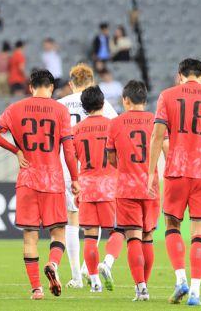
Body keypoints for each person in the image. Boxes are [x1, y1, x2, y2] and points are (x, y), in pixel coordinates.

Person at [0, 69, 79, 300]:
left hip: (27, 179)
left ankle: (37, 289)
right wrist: (75, 179)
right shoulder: (60, 110)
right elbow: (69, 151)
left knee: (30, 237)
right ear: (51, 87)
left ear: (30, 87)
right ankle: (53, 264)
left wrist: (16, 151)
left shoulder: (15, 109)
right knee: (58, 232)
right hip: (52, 180)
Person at [146, 58, 201, 306]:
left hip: (176, 170)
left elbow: (157, 135)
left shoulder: (167, 96)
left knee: (172, 225)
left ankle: (180, 278)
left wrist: (150, 171)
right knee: (200, 232)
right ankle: (195, 291)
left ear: (180, 75)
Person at [58, 64, 119, 288]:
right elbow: (116, 136)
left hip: (70, 168)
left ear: (71, 83)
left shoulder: (60, 104)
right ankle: (92, 267)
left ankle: (78, 276)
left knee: (74, 221)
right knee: (107, 227)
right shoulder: (106, 106)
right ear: (92, 83)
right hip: (102, 174)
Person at [106, 80, 167, 301]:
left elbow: (111, 158)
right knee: (148, 237)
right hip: (151, 187)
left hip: (126, 188)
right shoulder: (156, 121)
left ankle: (141, 288)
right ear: (145, 99)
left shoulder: (115, 123)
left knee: (133, 238)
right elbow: (166, 150)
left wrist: (125, 167)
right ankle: (144, 287)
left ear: (126, 100)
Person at [71, 86, 124, 292]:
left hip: (86, 187)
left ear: (84, 107)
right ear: (103, 102)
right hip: (110, 187)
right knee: (118, 231)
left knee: (90, 237)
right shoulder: (114, 126)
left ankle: (94, 282)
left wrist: (76, 184)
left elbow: (72, 159)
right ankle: (107, 263)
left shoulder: (76, 130)